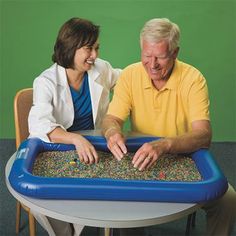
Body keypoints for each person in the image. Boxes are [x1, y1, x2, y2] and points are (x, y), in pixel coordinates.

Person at [102, 18, 236, 236]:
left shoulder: (193, 79)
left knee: (228, 200)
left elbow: (203, 136)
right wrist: (112, 131)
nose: (152, 64)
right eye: (147, 56)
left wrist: (164, 145)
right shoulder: (129, 74)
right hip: (140, 159)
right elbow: (111, 119)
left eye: (160, 57)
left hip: (183, 157)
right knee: (122, 205)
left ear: (175, 53)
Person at [28, 17, 121, 236]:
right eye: (89, 49)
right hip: (60, 147)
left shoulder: (101, 69)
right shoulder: (45, 81)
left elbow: (128, 80)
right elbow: (40, 125)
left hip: (96, 145)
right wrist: (76, 139)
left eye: (97, 48)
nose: (95, 56)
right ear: (70, 47)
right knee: (50, 195)